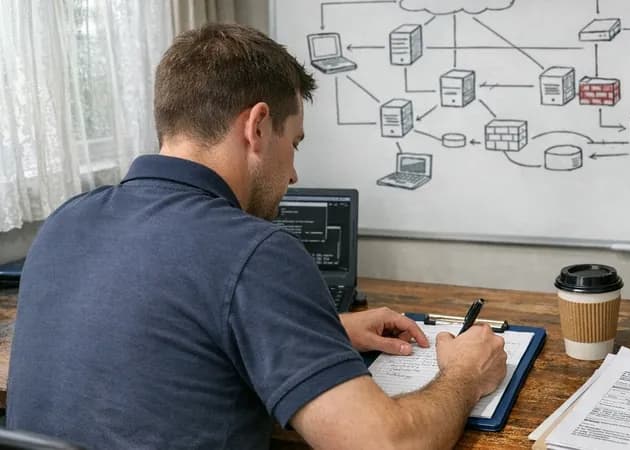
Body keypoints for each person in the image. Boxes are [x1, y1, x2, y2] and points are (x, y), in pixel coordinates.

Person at [6, 23, 507, 449]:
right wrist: (464, 374)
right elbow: (382, 443)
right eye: (294, 143)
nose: (293, 175)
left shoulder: (65, 221)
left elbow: (156, 331)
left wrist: (322, 331)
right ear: (258, 127)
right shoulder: (255, 252)